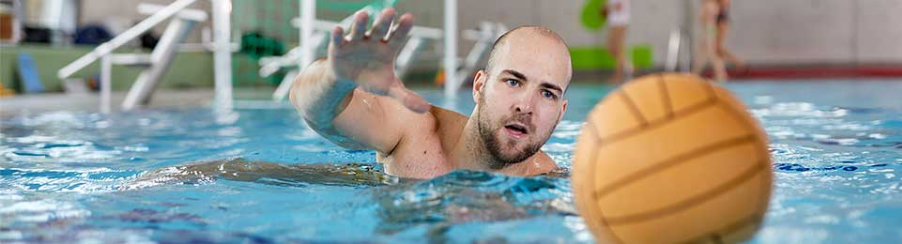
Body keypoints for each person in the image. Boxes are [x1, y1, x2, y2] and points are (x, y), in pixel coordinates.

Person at [289, 8, 572, 179]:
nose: (526, 105)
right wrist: (336, 79)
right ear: (478, 86)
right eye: (513, 82)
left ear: (560, 114)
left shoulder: (546, 177)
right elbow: (314, 109)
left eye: (547, 94)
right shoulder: (413, 131)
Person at [693, 0, 743, 82]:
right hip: (711, 28)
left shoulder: (711, 5)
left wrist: (710, 34)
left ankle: (722, 73)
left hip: (711, 29)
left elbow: (711, 22)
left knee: (712, 51)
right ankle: (695, 73)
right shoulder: (710, 5)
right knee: (705, 50)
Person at [601, 0, 632, 83]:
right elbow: (605, 10)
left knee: (618, 49)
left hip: (620, 23)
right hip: (613, 23)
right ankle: (629, 66)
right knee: (611, 49)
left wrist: (608, 8)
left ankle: (619, 76)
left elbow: (619, 6)